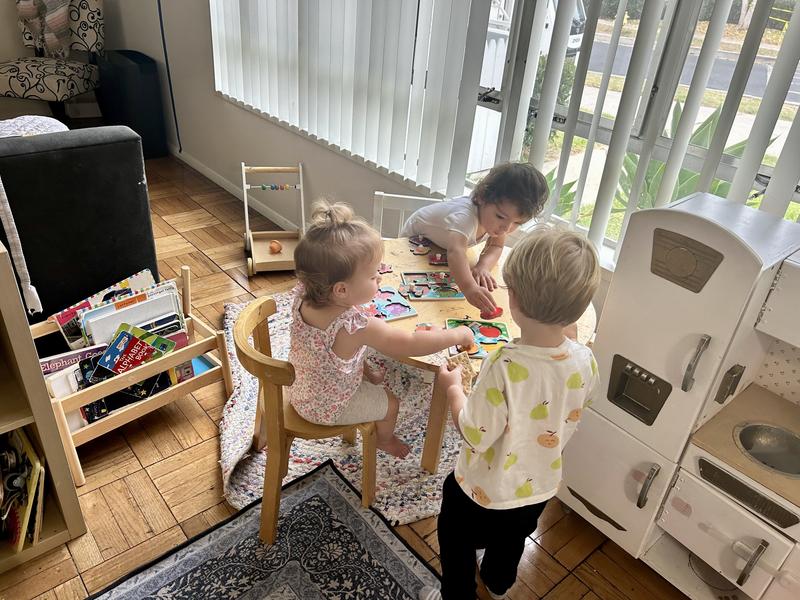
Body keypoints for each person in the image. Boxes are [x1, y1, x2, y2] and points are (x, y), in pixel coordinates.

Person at [418, 227, 601, 600]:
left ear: (512, 298)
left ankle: (457, 595)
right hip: (537, 487)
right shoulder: (585, 359)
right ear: (579, 310)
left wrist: (454, 389)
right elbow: (572, 407)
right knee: (511, 540)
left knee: (456, 540)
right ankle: (499, 585)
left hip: (480, 491)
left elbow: (474, 432)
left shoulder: (502, 364)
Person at [288, 200, 474, 458]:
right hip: (328, 407)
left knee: (348, 358)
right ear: (341, 290)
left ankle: (362, 376)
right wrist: (458, 334)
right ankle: (383, 440)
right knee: (391, 403)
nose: (380, 278)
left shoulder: (301, 296)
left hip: (298, 386)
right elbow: (410, 344)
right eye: (374, 276)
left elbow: (330, 351)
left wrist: (363, 371)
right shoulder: (356, 327)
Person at [400, 162, 548, 314]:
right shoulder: (465, 217)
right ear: (482, 197)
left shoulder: (500, 221)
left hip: (439, 246)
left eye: (517, 223)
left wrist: (483, 266)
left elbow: (496, 246)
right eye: (500, 217)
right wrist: (469, 287)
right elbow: (456, 252)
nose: (506, 228)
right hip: (413, 241)